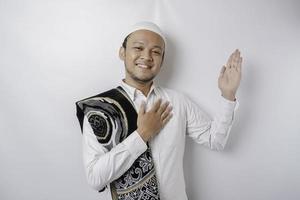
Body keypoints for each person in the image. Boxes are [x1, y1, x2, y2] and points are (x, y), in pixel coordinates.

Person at [75, 21, 242, 200]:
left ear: (162, 60)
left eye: (156, 51)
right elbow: (95, 179)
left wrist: (228, 95)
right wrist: (141, 135)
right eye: (138, 48)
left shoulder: (177, 101)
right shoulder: (100, 109)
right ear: (122, 52)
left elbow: (215, 140)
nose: (147, 56)